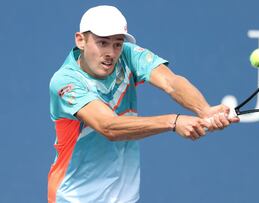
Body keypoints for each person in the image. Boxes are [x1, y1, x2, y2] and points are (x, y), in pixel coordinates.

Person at [48, 5, 239, 203]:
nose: (111, 53)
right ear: (80, 40)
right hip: (74, 199)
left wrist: (204, 109)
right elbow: (108, 126)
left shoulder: (127, 55)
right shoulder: (65, 82)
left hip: (125, 198)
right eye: (102, 43)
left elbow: (171, 83)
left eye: (117, 44)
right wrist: (173, 122)